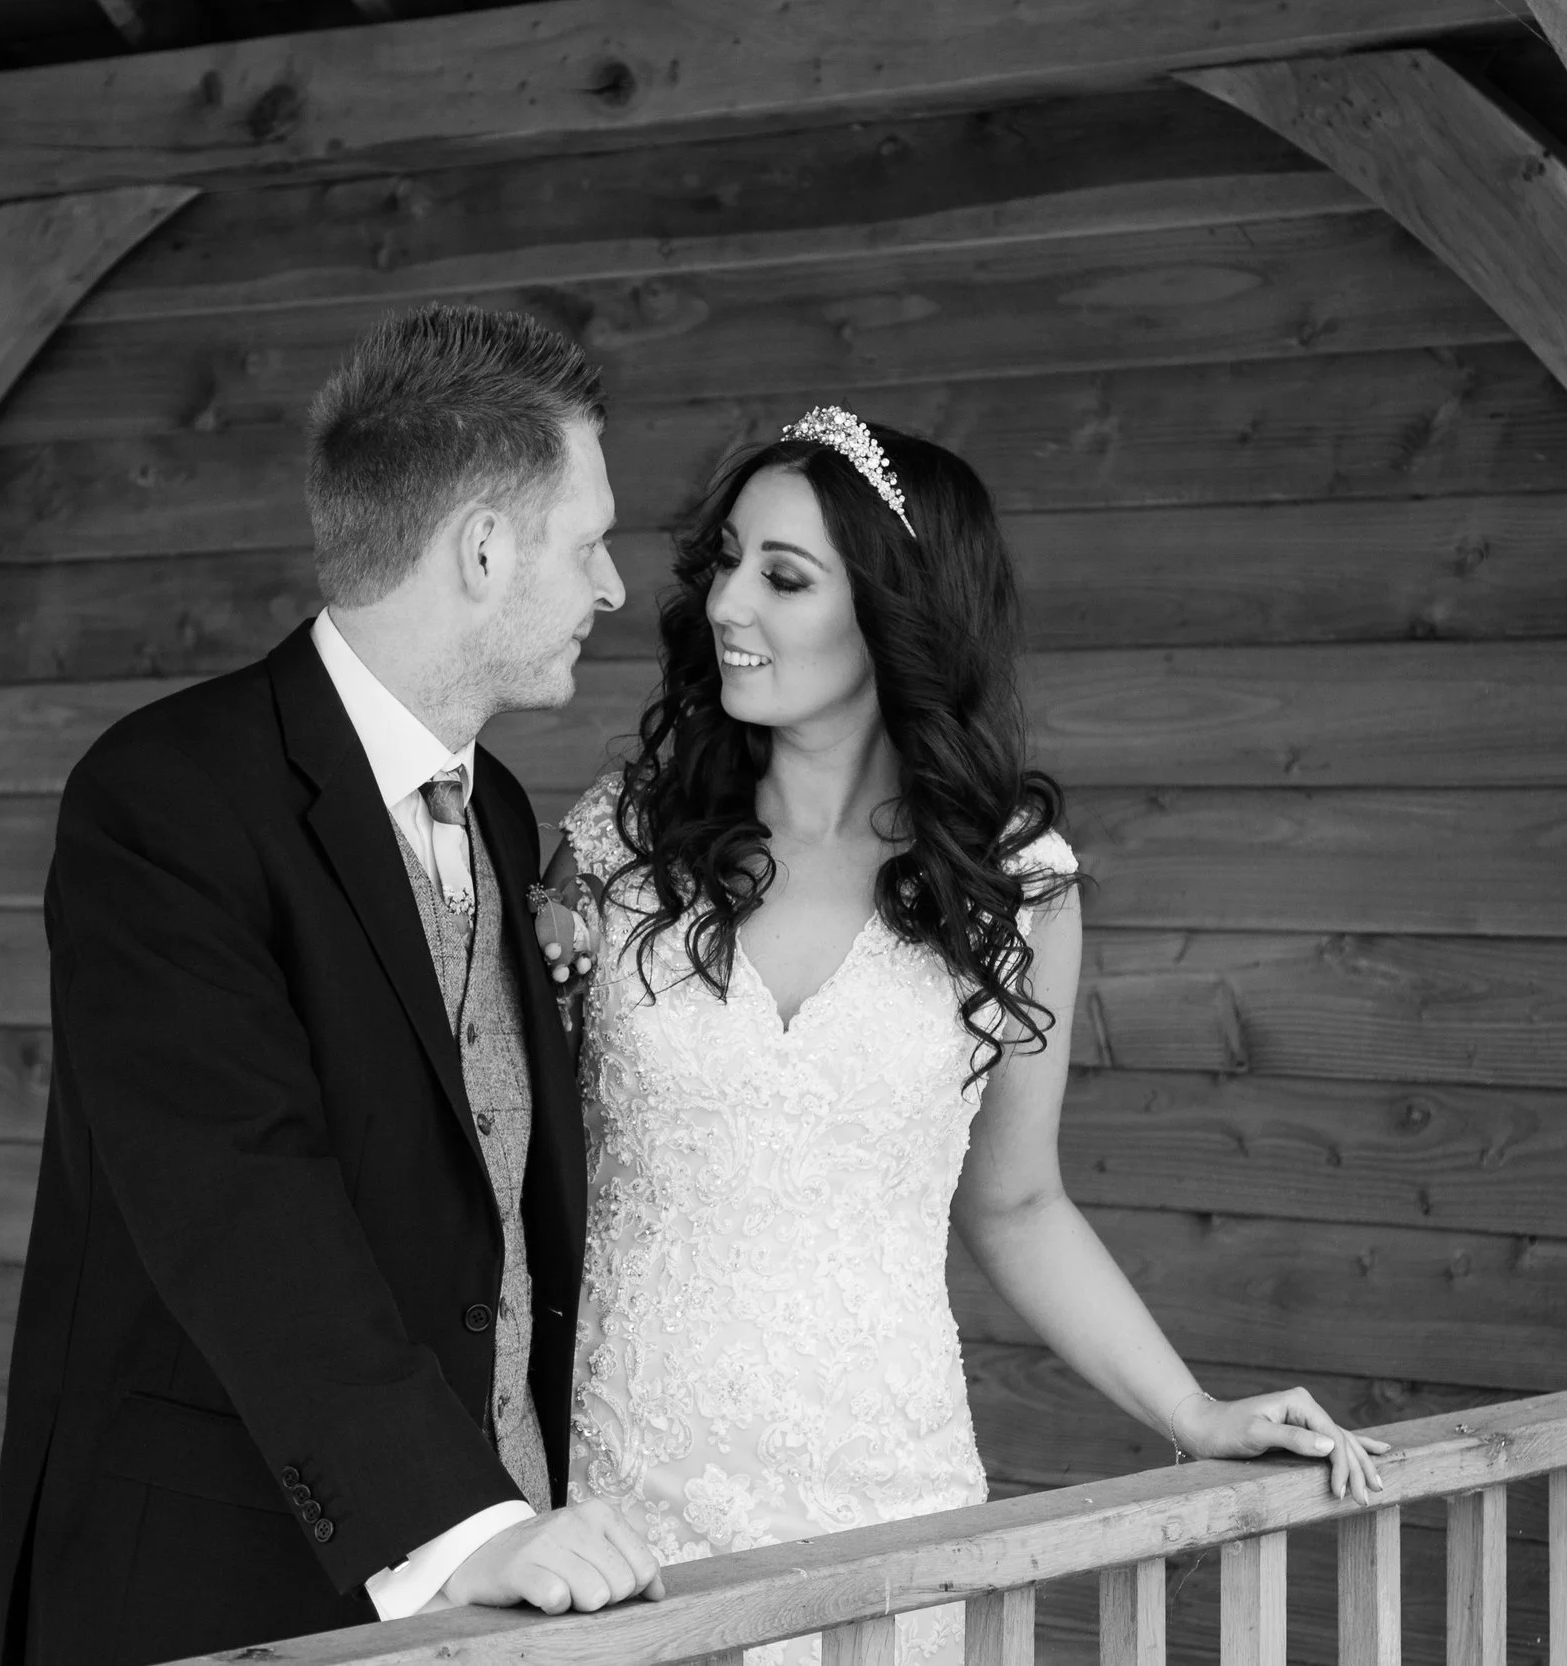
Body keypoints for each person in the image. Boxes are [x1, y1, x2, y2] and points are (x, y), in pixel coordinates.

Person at [543, 407, 1390, 1664]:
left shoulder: (1014, 884)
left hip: (886, 1503)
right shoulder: (615, 846)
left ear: (893, 610)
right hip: (621, 1507)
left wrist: (1194, 1411)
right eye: (725, 562)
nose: (729, 603)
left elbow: (1019, 1204)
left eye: (781, 577)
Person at [0, 304, 669, 1665]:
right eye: (587, 541)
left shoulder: (507, 819)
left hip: (501, 1576)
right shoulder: (167, 799)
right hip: (221, 1581)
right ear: (484, 548)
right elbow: (233, 1190)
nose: (610, 587)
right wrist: (461, 1522)